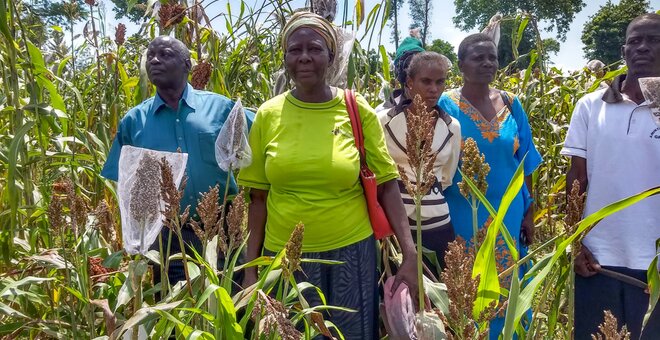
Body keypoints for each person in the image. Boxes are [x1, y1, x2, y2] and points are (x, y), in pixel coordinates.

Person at [238, 11, 419, 339]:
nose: (304, 57)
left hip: (351, 254)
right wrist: (251, 271)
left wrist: (410, 254)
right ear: (285, 58)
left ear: (331, 57)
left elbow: (387, 186)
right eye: (295, 49)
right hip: (284, 259)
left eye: (315, 49)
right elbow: (258, 198)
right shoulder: (267, 114)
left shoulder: (355, 107)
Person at [102, 36, 253, 286]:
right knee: (176, 311)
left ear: (187, 65)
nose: (154, 60)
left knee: (231, 303)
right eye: (150, 56)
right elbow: (126, 183)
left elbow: (265, 132)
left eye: (165, 54)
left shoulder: (221, 108)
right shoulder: (134, 121)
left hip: (223, 227)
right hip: (168, 235)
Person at [561, 13, 660, 340]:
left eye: (653, 40)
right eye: (635, 41)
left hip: (654, 265)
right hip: (598, 261)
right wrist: (574, 243)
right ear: (624, 50)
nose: (642, 48)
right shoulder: (590, 106)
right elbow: (576, 179)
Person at [438, 33, 542, 337]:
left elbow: (527, 161)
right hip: (462, 213)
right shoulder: (446, 104)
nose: (487, 63)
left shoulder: (512, 103)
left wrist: (529, 211)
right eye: (477, 58)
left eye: (492, 58)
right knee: (466, 288)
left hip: (509, 214)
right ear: (461, 65)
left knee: (508, 288)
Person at [378, 50, 461, 274]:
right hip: (394, 228)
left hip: (438, 225)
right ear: (410, 82)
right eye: (426, 81)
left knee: (437, 297)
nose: (433, 89)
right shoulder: (383, 121)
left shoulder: (452, 126)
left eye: (440, 82)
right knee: (395, 299)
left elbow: (446, 177)